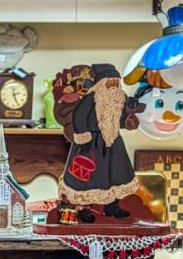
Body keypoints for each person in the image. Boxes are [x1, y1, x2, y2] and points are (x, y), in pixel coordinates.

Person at [58, 64, 143, 222]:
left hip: (113, 143)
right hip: (92, 143)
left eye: (116, 83)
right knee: (90, 179)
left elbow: (123, 121)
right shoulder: (90, 99)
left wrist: (130, 116)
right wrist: (83, 139)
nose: (113, 86)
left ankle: (112, 206)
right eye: (109, 83)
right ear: (100, 84)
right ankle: (84, 209)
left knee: (117, 176)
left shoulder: (119, 101)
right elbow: (79, 118)